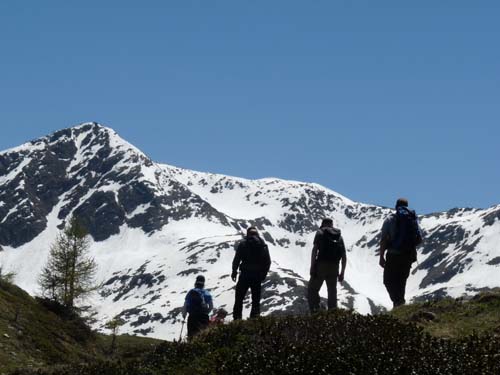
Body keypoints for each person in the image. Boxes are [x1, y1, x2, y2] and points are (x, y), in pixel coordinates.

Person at [379, 198, 423, 308]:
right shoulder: (413, 219)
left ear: (396, 206)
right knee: (401, 281)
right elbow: (419, 239)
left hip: (393, 255)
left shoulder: (390, 219)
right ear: (407, 206)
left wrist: (381, 256)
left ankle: (397, 302)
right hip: (408, 255)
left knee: (388, 281)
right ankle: (400, 304)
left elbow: (383, 239)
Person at [231, 226, 271, 320]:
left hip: (244, 275)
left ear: (248, 234)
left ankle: (237, 319)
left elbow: (237, 259)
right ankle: (254, 319)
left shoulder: (243, 244)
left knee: (239, 298)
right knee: (255, 300)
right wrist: (263, 274)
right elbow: (267, 261)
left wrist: (234, 272)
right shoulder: (263, 245)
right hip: (257, 276)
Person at [307, 218, 347, 312]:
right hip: (334, 267)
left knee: (313, 289)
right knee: (332, 292)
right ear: (332, 225)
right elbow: (344, 256)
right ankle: (333, 316)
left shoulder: (320, 233)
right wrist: (342, 272)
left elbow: (314, 251)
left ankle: (315, 313)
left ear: (323, 224)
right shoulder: (339, 237)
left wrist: (312, 266)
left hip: (321, 265)